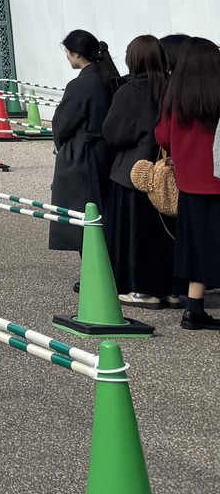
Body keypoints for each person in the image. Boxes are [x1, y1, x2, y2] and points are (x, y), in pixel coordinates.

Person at [103, 34, 174, 307]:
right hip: (168, 169)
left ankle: (142, 289)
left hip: (135, 171)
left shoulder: (130, 90)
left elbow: (114, 133)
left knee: (135, 232)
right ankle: (170, 288)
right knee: (166, 232)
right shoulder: (171, 87)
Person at [156, 35, 220, 330]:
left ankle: (194, 310)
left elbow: (162, 137)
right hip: (217, 179)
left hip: (190, 183)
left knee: (196, 246)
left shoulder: (175, 95)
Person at [49, 29, 120, 254]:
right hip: (111, 151)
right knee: (109, 210)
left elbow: (63, 124)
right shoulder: (112, 78)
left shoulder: (80, 85)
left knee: (85, 213)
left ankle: (93, 264)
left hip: (85, 153)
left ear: (76, 54)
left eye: (67, 52)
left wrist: (62, 145)